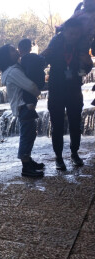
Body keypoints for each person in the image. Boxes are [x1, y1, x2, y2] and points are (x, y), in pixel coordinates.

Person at [41, 18, 92, 170]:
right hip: (56, 90)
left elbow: (86, 69)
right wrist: (42, 56)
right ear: (64, 31)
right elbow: (43, 61)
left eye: (77, 34)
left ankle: (74, 153)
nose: (74, 36)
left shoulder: (82, 44)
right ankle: (58, 157)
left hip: (75, 90)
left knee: (76, 124)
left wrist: (88, 64)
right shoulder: (55, 43)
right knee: (57, 126)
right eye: (71, 34)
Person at [0, 44, 43, 177]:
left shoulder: (14, 69)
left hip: (23, 106)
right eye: (11, 50)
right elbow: (30, 86)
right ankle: (26, 167)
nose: (15, 50)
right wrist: (37, 92)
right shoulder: (13, 72)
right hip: (24, 107)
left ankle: (28, 160)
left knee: (30, 134)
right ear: (7, 56)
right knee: (27, 136)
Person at [56, 0, 95, 75]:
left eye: (91, 2)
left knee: (83, 51)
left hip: (86, 37)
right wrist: (61, 27)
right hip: (57, 80)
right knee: (56, 39)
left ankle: (82, 68)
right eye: (87, 2)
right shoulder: (80, 12)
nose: (89, 4)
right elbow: (70, 20)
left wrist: (91, 35)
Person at [18, 38, 47, 120]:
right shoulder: (35, 56)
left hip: (30, 83)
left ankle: (30, 106)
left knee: (27, 95)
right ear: (30, 48)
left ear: (19, 50)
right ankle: (32, 106)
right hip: (40, 82)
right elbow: (43, 61)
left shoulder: (23, 60)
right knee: (32, 97)